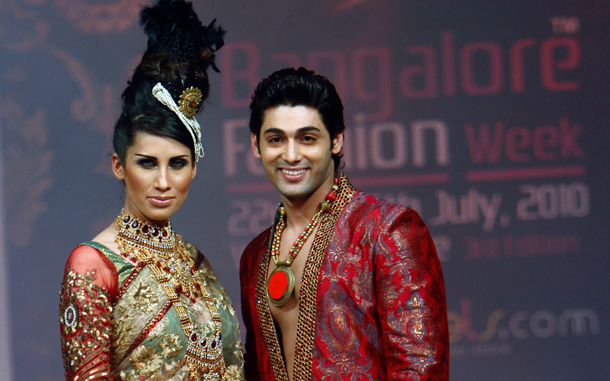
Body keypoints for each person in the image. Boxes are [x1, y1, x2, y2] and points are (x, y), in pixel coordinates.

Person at [58, 1, 244, 379]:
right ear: (118, 166)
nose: (163, 181)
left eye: (177, 163)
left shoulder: (196, 262)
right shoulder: (94, 266)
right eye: (147, 163)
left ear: (194, 168)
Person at [239, 67, 449, 380]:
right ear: (256, 145)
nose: (291, 154)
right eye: (276, 139)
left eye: (307, 138)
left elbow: (421, 369)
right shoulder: (255, 255)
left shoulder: (387, 230)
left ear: (336, 140)